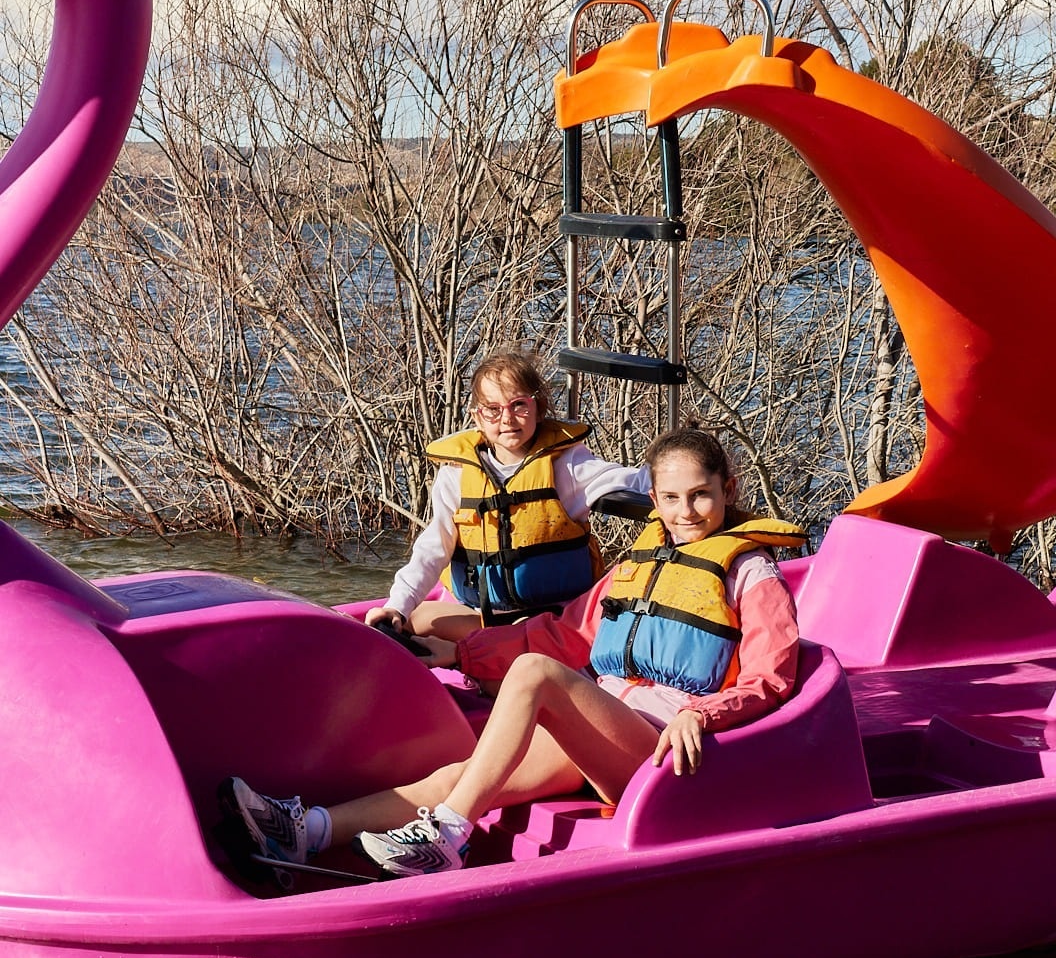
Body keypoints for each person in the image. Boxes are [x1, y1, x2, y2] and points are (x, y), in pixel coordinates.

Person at [223, 428, 805, 880]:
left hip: (664, 756)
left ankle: (447, 838)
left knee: (533, 675)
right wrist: (457, 654)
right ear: (653, 499)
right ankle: (308, 830)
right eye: (672, 498)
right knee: (466, 774)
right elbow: (561, 634)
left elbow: (771, 677)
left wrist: (699, 714)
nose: (686, 512)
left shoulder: (750, 574)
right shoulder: (639, 564)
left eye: (702, 495)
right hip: (609, 727)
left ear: (728, 489)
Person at [366, 348, 651, 644]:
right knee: (412, 620)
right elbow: (433, 548)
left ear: (538, 408)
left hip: (551, 618)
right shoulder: (457, 473)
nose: (507, 418)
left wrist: (685, 470)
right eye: (493, 408)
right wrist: (397, 604)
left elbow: (636, 481)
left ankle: (486, 659)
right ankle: (476, 654)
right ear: (478, 417)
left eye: (519, 405)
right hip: (481, 613)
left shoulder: (568, 465)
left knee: (510, 640)